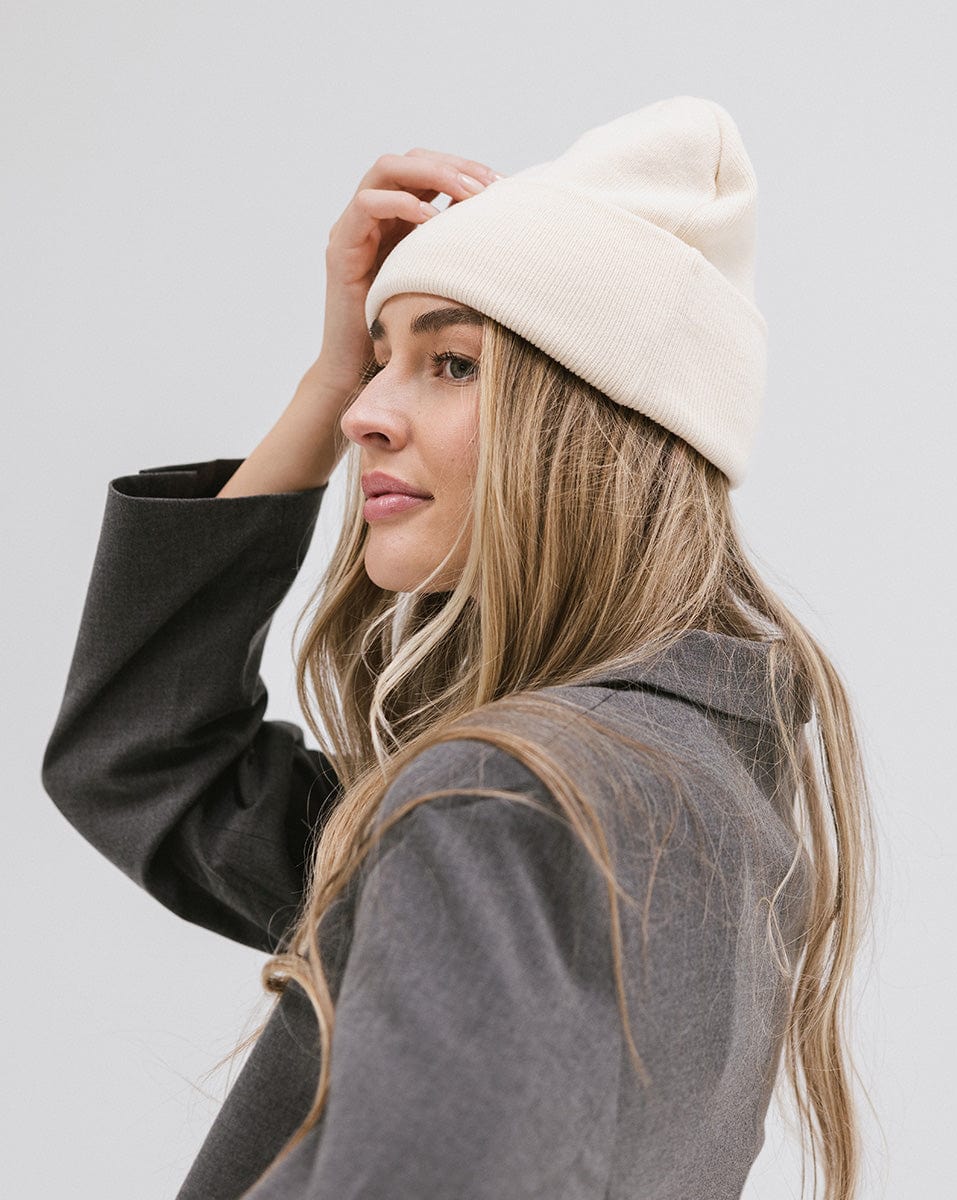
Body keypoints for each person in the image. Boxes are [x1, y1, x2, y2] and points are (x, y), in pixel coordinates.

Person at [41, 96, 876, 1200]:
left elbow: (138, 760)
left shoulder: (504, 804)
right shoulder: (690, 788)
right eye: (375, 363)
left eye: (453, 365)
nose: (363, 414)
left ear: (595, 422)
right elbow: (149, 765)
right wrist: (329, 374)